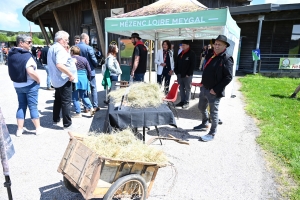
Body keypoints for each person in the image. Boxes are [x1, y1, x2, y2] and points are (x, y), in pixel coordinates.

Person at [194, 35, 233, 142]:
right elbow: (206, 70)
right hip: (204, 88)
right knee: (201, 107)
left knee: (214, 113)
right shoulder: (211, 55)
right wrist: (202, 83)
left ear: (225, 46)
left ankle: (212, 133)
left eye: (219, 44)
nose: (216, 46)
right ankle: (204, 123)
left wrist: (215, 89)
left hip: (214, 91)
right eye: (215, 44)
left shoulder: (226, 58)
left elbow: (228, 77)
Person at [7, 34, 43, 136]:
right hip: (30, 84)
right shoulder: (27, 55)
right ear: (21, 43)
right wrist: (38, 79)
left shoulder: (11, 54)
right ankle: (38, 128)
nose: (31, 44)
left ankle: (19, 130)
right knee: (33, 106)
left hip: (17, 85)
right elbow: (30, 71)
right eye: (29, 42)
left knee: (21, 106)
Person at [47, 30, 77, 129]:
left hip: (56, 79)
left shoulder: (52, 48)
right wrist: (70, 74)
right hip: (64, 79)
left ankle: (56, 119)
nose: (67, 41)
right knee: (66, 102)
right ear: (60, 40)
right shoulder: (60, 49)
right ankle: (67, 124)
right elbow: (59, 64)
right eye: (66, 39)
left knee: (58, 100)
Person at [76, 33, 100, 112]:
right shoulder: (89, 48)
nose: (89, 41)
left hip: (80, 72)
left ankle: (86, 107)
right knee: (93, 88)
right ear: (85, 39)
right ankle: (95, 106)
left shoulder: (75, 47)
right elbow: (94, 60)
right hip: (90, 71)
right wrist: (96, 64)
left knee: (83, 89)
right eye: (88, 40)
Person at [70, 46, 94, 118]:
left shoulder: (71, 59)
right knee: (84, 95)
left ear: (72, 52)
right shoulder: (84, 59)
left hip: (75, 78)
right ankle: (91, 108)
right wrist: (89, 78)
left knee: (74, 97)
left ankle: (78, 112)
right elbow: (89, 70)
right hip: (83, 78)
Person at [174, 40, 196, 109]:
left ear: (188, 45)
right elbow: (176, 63)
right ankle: (182, 101)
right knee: (181, 88)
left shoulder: (191, 53)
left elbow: (193, 65)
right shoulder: (181, 54)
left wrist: (189, 73)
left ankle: (186, 102)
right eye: (182, 45)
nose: (182, 46)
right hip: (180, 75)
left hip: (187, 75)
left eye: (184, 45)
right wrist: (176, 72)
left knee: (187, 88)